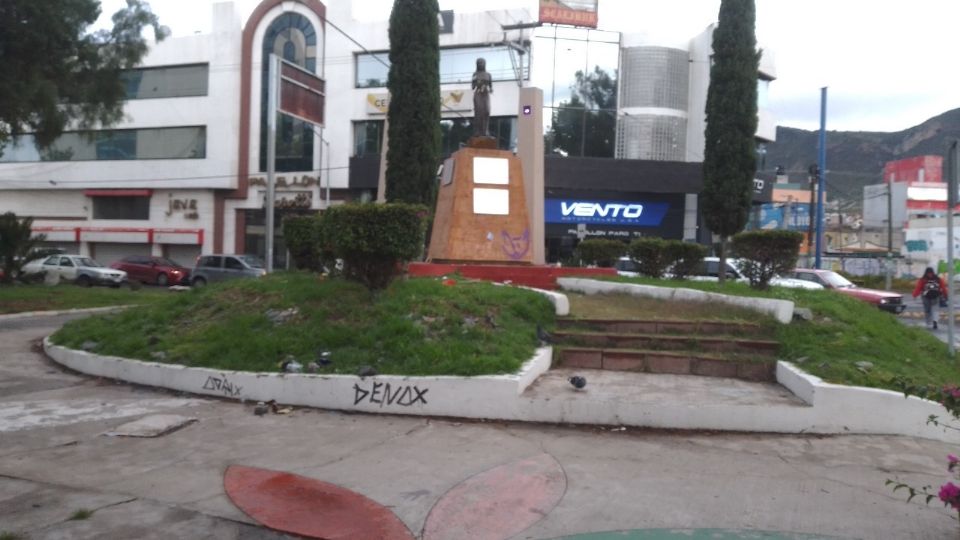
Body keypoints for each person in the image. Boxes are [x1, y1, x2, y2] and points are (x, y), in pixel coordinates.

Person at [471, 57, 492, 137]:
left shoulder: (488, 75)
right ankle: (478, 131)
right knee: (478, 113)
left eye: (482, 63)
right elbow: (472, 87)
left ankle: (485, 130)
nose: (480, 64)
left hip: (485, 94)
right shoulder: (475, 74)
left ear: (485, 64)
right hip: (478, 93)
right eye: (479, 63)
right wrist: (478, 83)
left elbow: (491, 86)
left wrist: (490, 89)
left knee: (487, 111)